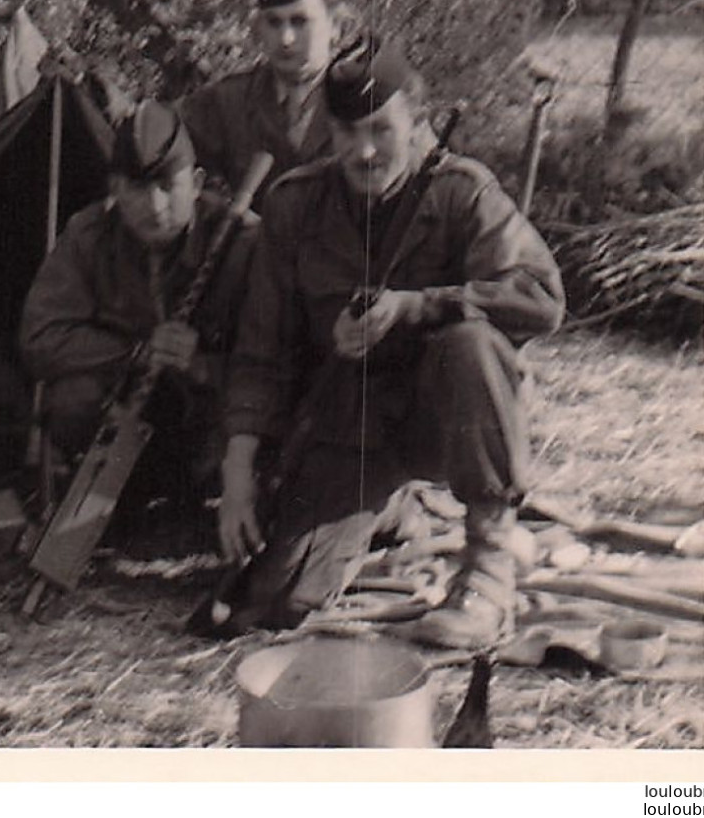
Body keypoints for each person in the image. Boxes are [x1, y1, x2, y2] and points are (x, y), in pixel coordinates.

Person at [214, 36, 565, 649]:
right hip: (348, 426)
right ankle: (394, 513)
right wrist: (238, 472)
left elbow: (539, 296)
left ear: (420, 124)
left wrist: (418, 306)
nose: (364, 150)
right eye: (347, 133)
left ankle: (487, 566)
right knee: (277, 601)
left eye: (382, 129)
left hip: (441, 419)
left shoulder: (461, 191)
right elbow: (260, 351)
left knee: (470, 344)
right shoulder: (295, 205)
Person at [19, 100, 259, 544]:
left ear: (197, 182)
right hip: (130, 413)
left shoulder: (243, 241)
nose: (155, 205)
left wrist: (202, 364)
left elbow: (276, 359)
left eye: (169, 185)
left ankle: (211, 508)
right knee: (72, 399)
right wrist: (136, 352)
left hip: (212, 418)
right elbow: (39, 337)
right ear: (115, 189)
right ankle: (122, 509)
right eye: (137, 187)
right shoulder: (88, 236)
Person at [179, 0, 342, 202]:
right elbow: (161, 148)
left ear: (334, 26)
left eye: (300, 22)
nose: (286, 39)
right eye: (274, 23)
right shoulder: (228, 101)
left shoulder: (366, 102)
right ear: (259, 28)